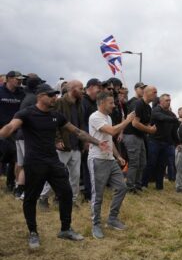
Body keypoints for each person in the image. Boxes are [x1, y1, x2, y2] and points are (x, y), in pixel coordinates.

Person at [0, 84, 108, 248]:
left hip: (53, 161)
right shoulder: (27, 114)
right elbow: (10, 127)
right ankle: (33, 233)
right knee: (30, 198)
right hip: (34, 163)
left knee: (66, 193)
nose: (54, 98)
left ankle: (65, 229)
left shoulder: (56, 116)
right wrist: (3, 133)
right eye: (50, 95)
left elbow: (77, 132)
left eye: (55, 95)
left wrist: (97, 142)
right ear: (40, 96)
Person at [88, 92, 136, 239]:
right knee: (99, 194)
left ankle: (112, 219)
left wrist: (118, 156)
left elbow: (109, 139)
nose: (114, 105)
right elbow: (113, 131)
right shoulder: (95, 117)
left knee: (122, 188)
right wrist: (127, 120)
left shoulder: (108, 117)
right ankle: (96, 224)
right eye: (111, 103)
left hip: (110, 159)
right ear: (102, 103)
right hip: (98, 160)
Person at [39, 80, 85, 209]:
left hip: (76, 145)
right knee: (55, 174)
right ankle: (43, 198)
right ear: (72, 89)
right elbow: (52, 122)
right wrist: (57, 140)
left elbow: (81, 125)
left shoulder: (79, 104)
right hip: (63, 145)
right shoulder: (59, 102)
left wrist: (84, 142)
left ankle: (72, 201)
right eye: (80, 88)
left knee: (75, 176)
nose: (83, 91)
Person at [123, 85, 157, 193]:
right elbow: (135, 123)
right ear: (146, 93)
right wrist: (149, 130)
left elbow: (144, 122)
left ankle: (137, 185)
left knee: (142, 162)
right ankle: (129, 187)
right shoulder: (138, 103)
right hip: (131, 135)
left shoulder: (148, 107)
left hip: (140, 136)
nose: (156, 94)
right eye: (154, 92)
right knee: (134, 162)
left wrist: (150, 127)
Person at [142, 93, 179, 190]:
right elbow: (161, 117)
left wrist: (178, 142)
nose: (169, 102)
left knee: (162, 165)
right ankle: (143, 184)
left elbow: (174, 131)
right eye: (166, 100)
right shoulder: (156, 110)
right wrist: (176, 119)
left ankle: (159, 186)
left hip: (166, 143)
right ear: (161, 101)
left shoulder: (172, 115)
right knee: (151, 162)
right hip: (154, 141)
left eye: (169, 100)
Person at [0, 70, 26, 192]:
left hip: (16, 129)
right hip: (2, 129)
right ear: (9, 79)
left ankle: (11, 184)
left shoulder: (22, 93)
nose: (20, 81)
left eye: (21, 79)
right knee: (6, 156)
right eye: (17, 79)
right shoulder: (0, 91)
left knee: (15, 156)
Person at [80, 78, 102, 202]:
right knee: (88, 168)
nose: (99, 93)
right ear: (90, 87)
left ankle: (92, 192)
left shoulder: (94, 103)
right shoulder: (83, 101)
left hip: (95, 140)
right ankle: (88, 194)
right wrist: (86, 140)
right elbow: (82, 121)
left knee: (93, 167)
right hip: (87, 140)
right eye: (98, 89)